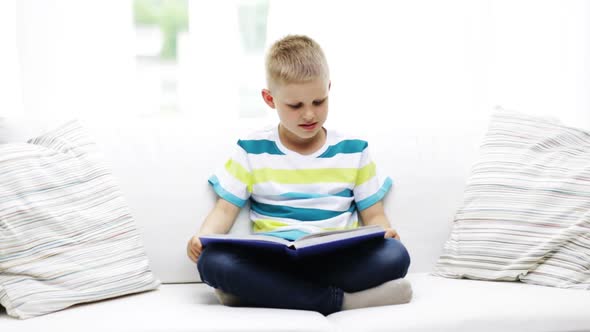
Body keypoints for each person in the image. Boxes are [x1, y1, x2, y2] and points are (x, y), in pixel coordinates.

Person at [186, 35, 411, 315]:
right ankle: (339, 302)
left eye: (319, 101)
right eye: (295, 106)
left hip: (336, 260)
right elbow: (224, 210)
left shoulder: (354, 150)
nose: (309, 114)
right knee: (212, 262)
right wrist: (202, 237)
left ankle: (261, 293)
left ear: (329, 89)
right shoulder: (252, 149)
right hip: (275, 262)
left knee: (396, 256)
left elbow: (374, 215)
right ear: (270, 99)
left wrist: (386, 233)